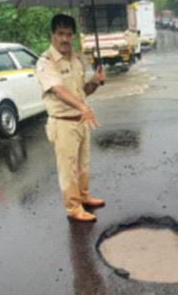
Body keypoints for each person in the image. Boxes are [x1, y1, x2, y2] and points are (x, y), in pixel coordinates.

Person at [36, 13, 106, 222]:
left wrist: (94, 81)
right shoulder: (46, 62)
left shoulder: (76, 60)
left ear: (73, 36)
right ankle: (73, 207)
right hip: (63, 123)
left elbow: (82, 91)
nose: (65, 39)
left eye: (69, 34)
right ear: (52, 35)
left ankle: (84, 196)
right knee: (68, 168)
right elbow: (58, 90)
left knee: (83, 164)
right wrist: (82, 107)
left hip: (80, 120)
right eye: (60, 34)